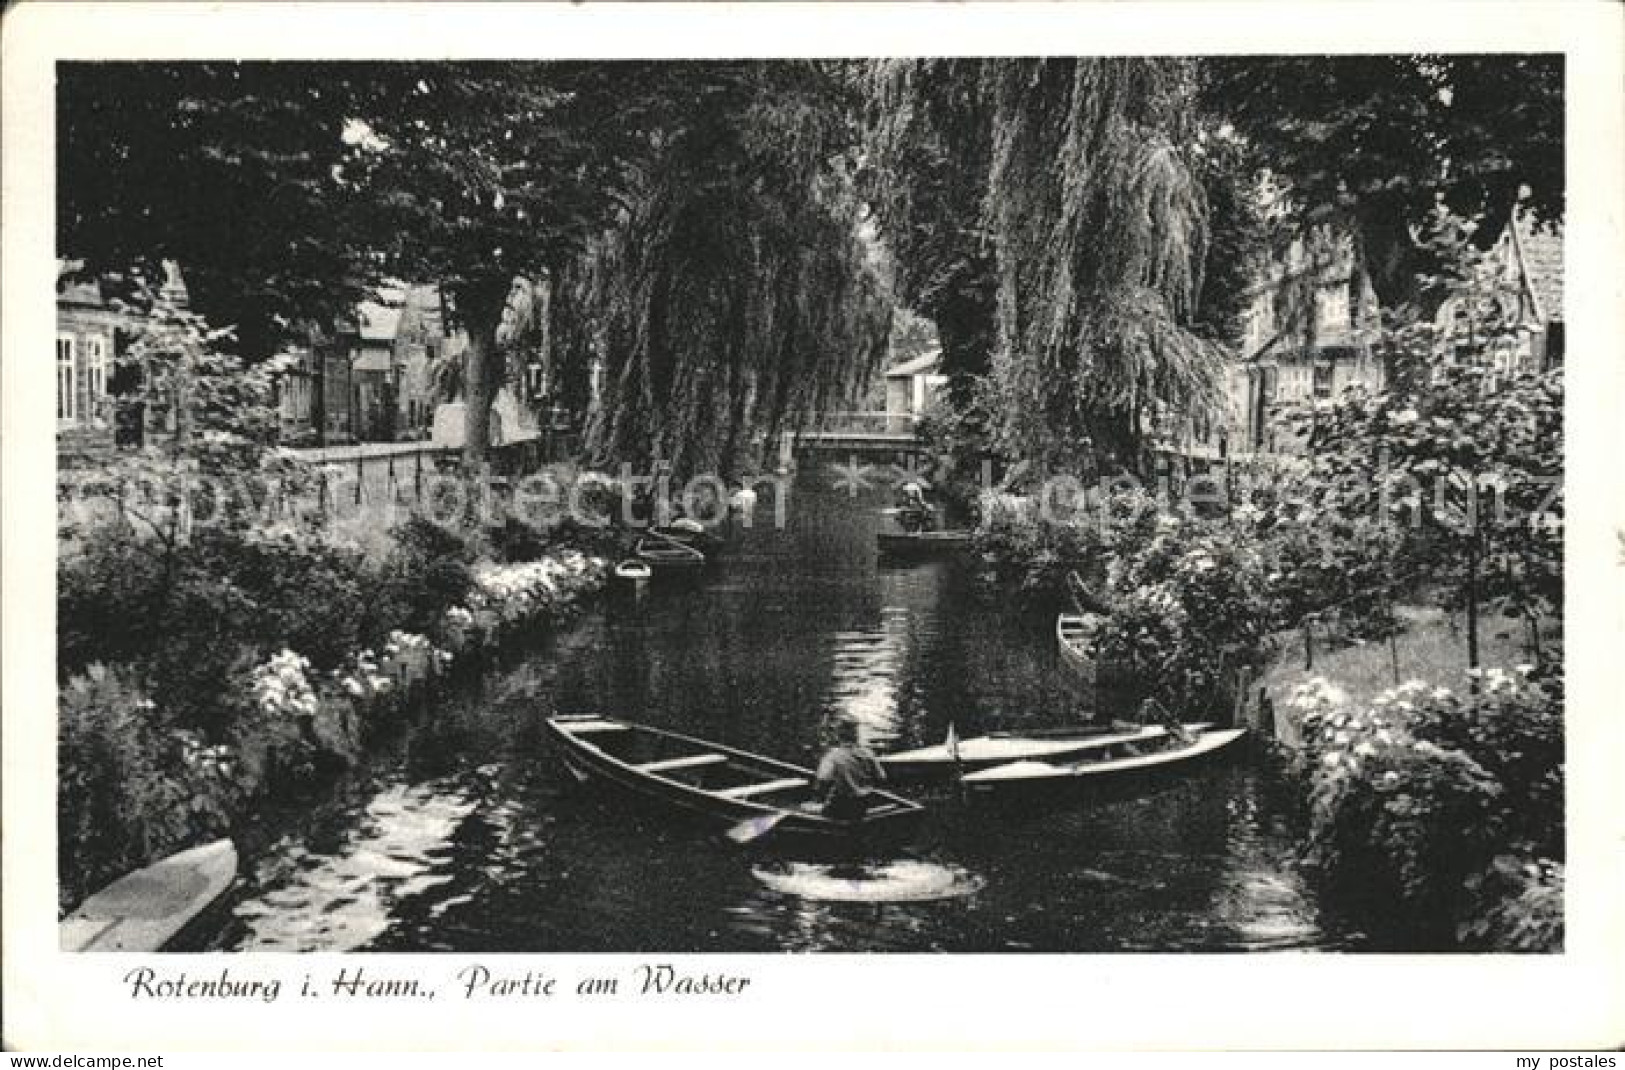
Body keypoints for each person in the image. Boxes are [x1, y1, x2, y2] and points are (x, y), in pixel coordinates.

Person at [815, 720, 887, 822]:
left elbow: (823, 779)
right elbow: (882, 777)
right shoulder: (868, 753)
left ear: (838, 735)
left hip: (840, 806)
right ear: (856, 735)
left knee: (807, 807)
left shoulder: (833, 755)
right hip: (863, 804)